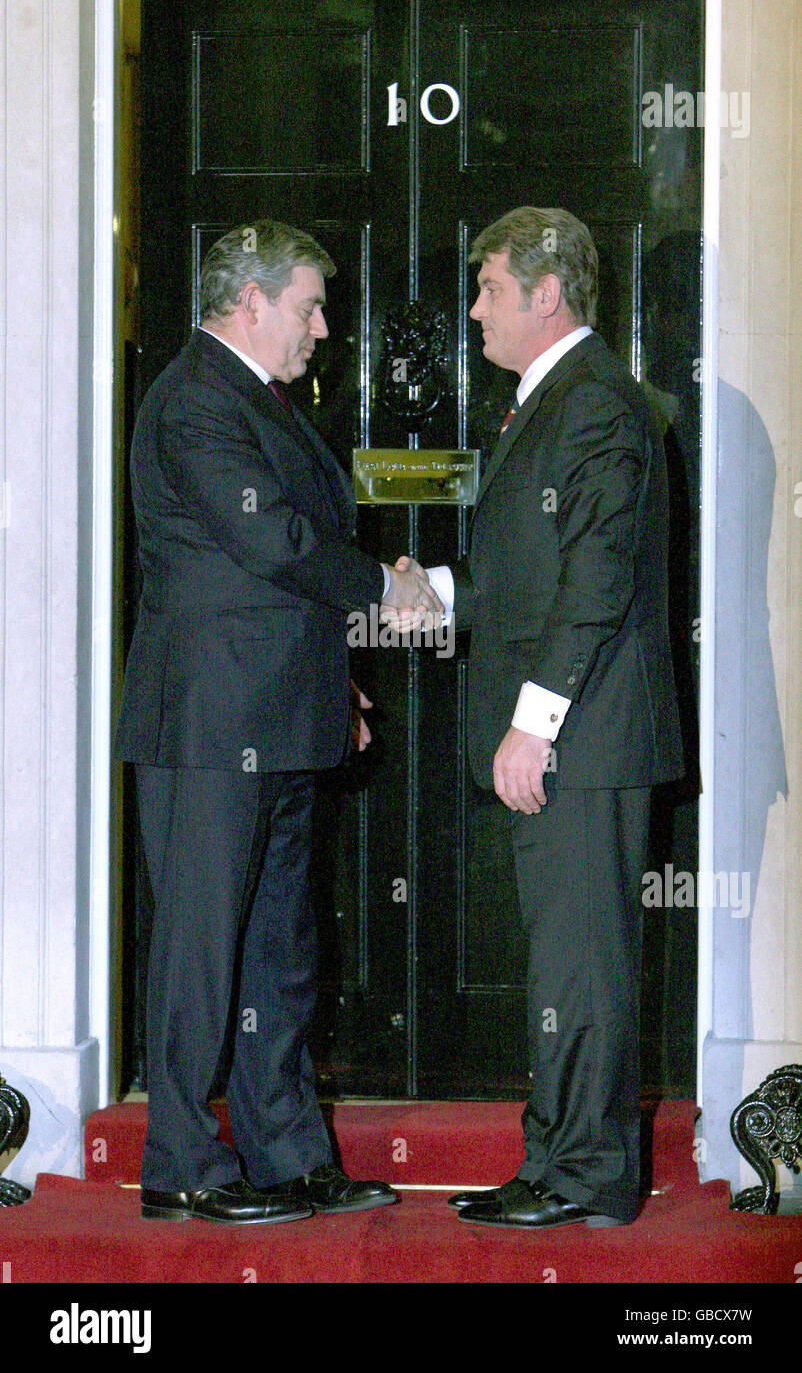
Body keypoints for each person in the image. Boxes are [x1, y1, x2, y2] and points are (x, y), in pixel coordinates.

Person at [114, 219, 442, 1225]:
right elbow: (270, 538)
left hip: (279, 713)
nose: (322, 327)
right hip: (210, 724)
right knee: (203, 949)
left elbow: (281, 568)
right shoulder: (193, 401)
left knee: (279, 952)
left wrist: (330, 681)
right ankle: (178, 1162)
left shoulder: (262, 401)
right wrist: (388, 587)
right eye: (307, 305)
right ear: (246, 302)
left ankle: (286, 1152)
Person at [393, 207, 683, 1228]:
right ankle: (559, 1160)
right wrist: (428, 584)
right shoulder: (555, 398)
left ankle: (586, 1178)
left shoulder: (593, 401)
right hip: (572, 734)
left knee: (582, 963)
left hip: (583, 740)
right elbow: (527, 578)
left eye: (487, 287)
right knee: (566, 958)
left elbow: (596, 580)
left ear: (545, 293)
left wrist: (535, 721)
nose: (472, 310)